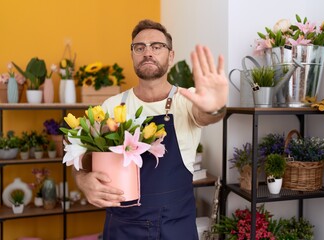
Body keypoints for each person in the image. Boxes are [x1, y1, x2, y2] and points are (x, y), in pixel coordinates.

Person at [73, 19, 228, 240]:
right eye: (140, 47)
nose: (148, 52)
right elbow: (83, 157)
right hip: (122, 227)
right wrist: (81, 179)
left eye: (157, 46)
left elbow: (206, 115)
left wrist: (214, 108)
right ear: (133, 55)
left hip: (176, 226)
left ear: (171, 56)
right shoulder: (111, 107)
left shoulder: (186, 100)